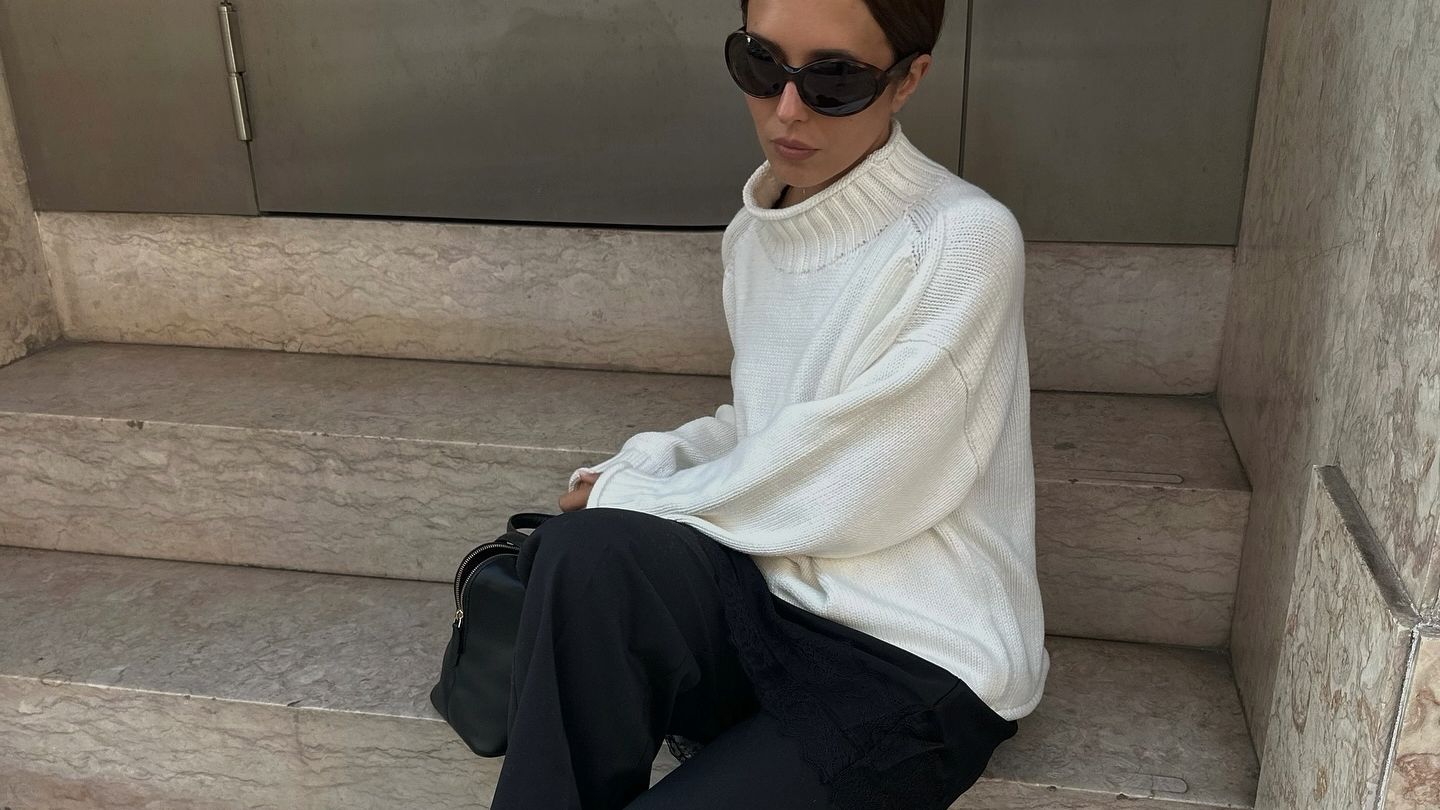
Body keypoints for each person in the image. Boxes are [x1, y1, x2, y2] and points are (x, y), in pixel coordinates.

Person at [490, 0, 1049, 807]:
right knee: (587, 555)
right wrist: (642, 465)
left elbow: (861, 476)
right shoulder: (756, 233)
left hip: (913, 658)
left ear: (907, 80)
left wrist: (638, 493)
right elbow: (768, 419)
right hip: (768, 605)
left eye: (834, 79)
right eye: (761, 65)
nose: (787, 109)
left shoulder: (962, 240)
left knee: (611, 525)